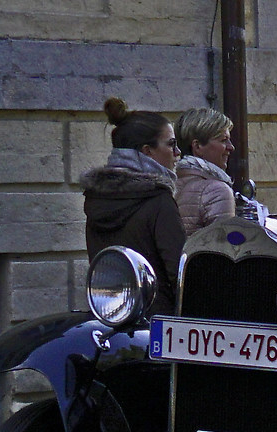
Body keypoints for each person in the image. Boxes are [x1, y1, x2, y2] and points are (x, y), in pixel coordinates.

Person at [84, 97, 184, 314]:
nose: (178, 153)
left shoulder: (95, 197)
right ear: (147, 151)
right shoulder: (158, 200)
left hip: (109, 317)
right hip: (157, 325)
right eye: (172, 144)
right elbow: (179, 275)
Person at [174, 107, 238, 235]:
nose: (231, 147)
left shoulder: (168, 183)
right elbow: (225, 248)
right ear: (197, 146)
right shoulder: (217, 190)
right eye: (223, 140)